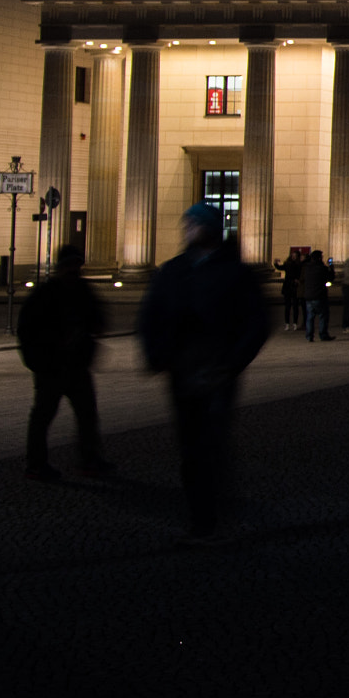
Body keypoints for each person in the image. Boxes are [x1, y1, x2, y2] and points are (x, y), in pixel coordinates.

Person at [136, 205, 268, 542]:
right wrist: (155, 354)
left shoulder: (234, 272)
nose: (189, 227)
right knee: (191, 446)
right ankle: (202, 511)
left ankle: (208, 515)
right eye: (188, 222)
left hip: (218, 371)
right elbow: (150, 315)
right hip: (183, 370)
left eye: (195, 223)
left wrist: (232, 362)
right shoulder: (174, 270)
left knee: (209, 442)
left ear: (210, 228)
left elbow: (257, 323)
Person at [20, 244, 111, 482]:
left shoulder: (80, 290)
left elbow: (97, 319)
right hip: (52, 367)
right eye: (70, 265)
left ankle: (88, 460)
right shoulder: (46, 294)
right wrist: (38, 362)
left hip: (75, 365)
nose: (74, 270)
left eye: (76, 266)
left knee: (86, 414)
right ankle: (37, 464)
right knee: (44, 416)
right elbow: (28, 332)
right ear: (61, 268)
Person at [298, 248, 332, 342]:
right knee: (323, 315)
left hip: (308, 295)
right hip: (319, 295)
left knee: (310, 317)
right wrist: (330, 267)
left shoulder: (307, 268)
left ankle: (309, 336)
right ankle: (323, 334)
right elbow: (330, 277)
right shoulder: (321, 268)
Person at [278, 249, 302, 331]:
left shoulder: (299, 265)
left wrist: (298, 280)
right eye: (292, 256)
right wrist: (275, 263)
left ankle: (295, 323)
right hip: (288, 286)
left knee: (295, 306)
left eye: (295, 256)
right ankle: (287, 323)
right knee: (287, 306)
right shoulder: (288, 264)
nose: (293, 257)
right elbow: (280, 267)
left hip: (294, 287)